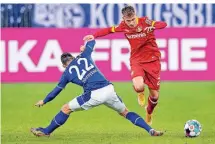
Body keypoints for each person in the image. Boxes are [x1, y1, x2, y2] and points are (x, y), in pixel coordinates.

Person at [30, 40, 163, 137]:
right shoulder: (84, 56)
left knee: (66, 108)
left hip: (94, 94)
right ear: (73, 57)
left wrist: (44, 101)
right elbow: (92, 41)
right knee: (125, 112)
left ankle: (47, 131)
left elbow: (56, 91)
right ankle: (150, 130)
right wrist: (85, 46)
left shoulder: (66, 73)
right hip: (109, 89)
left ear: (64, 65)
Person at [83, 5, 167, 125]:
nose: (131, 23)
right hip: (136, 59)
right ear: (123, 18)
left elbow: (163, 24)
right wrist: (94, 35)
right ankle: (140, 92)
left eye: (133, 19)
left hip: (153, 60)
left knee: (154, 96)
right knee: (138, 86)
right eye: (128, 20)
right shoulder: (123, 26)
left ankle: (149, 112)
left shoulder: (145, 21)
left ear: (135, 15)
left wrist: (152, 26)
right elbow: (108, 30)